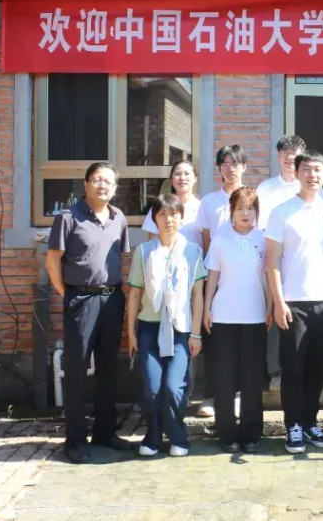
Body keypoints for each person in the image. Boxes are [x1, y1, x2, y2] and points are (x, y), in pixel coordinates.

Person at [45, 161, 131, 464]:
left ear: (115, 188)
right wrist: (69, 294)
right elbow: (52, 262)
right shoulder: (68, 217)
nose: (102, 185)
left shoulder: (119, 218)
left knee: (108, 369)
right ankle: (75, 439)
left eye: (108, 181)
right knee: (77, 370)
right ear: (86, 184)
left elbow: (118, 258)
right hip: (81, 299)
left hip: (112, 300)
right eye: (97, 180)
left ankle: (105, 432)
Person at [266, 150, 323, 454]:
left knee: (316, 369)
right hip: (293, 303)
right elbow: (272, 261)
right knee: (293, 369)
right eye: (307, 169)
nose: (312, 175)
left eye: (317, 170)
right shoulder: (282, 212)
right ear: (296, 173)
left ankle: (311, 422)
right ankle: (293, 425)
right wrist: (278, 302)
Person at [126, 194, 207, 458]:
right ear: (155, 219)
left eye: (173, 214)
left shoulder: (192, 251)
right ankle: (152, 435)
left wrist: (196, 334)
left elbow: (198, 295)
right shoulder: (144, 251)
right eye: (162, 214)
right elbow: (134, 294)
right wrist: (131, 333)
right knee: (152, 388)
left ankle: (177, 436)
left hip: (180, 330)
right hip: (149, 328)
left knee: (173, 387)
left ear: (181, 218)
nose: (168, 219)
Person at [203, 187, 269, 453]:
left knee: (252, 380)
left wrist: (271, 307)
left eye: (250, 208)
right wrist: (206, 308)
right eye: (240, 208)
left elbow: (269, 277)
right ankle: (227, 433)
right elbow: (212, 277)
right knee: (224, 379)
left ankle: (252, 433)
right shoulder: (220, 239)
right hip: (223, 317)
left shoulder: (264, 239)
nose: (245, 213)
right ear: (231, 211)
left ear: (257, 212)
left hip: (256, 316)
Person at [192, 144, 248, 419]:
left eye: (235, 163)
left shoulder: (252, 198)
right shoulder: (209, 202)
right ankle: (213, 395)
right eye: (224, 164)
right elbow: (206, 242)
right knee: (214, 337)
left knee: (243, 339)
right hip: (216, 278)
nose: (230, 169)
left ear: (244, 167)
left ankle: (238, 395)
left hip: (246, 279)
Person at [258, 135, 309, 394]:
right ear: (278, 156)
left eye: (294, 153)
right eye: (285, 153)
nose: (289, 157)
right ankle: (275, 372)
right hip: (275, 261)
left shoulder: (311, 186)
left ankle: (301, 371)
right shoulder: (266, 189)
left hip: (302, 264)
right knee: (275, 313)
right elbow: (259, 227)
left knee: (301, 317)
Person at [141, 160, 201, 243]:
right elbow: (152, 241)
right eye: (178, 174)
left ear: (195, 179)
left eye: (187, 174)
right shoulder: (160, 206)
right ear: (171, 180)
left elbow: (207, 241)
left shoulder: (201, 207)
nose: (182, 178)